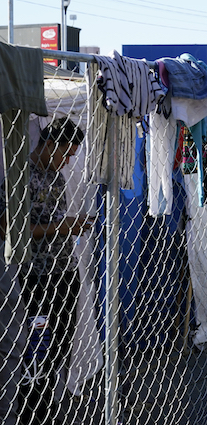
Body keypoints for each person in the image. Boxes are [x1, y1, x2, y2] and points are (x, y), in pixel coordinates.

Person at [0, 117, 93, 425]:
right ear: (51, 144)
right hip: (35, 279)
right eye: (65, 154)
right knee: (32, 349)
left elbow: (56, 220)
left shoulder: (57, 178)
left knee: (59, 346)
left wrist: (70, 225)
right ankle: (25, 410)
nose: (67, 162)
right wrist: (61, 227)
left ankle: (46, 407)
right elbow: (6, 228)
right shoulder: (19, 176)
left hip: (64, 273)